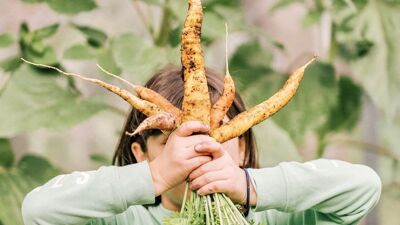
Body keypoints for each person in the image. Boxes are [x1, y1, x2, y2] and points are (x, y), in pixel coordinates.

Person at [22, 66, 382, 225]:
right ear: (141, 155)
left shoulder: (274, 216)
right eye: (170, 145)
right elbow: (38, 211)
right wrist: (156, 177)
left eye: (220, 136)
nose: (197, 152)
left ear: (241, 147)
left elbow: (363, 187)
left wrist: (249, 186)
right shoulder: (122, 218)